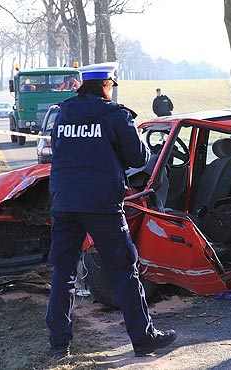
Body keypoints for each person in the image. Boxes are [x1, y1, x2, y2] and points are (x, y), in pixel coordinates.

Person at [45, 62, 177, 359]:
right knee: (124, 270)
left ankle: (58, 345)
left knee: (64, 272)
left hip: (64, 202)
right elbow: (138, 156)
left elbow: (59, 148)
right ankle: (144, 339)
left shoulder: (65, 112)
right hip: (102, 204)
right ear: (106, 84)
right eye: (111, 84)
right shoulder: (116, 115)